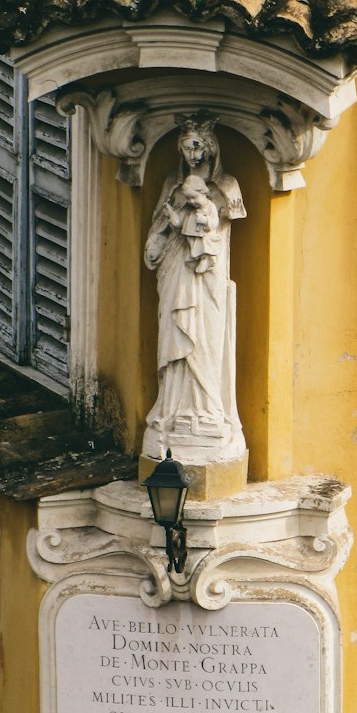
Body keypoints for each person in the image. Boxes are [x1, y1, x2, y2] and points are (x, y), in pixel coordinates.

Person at [142, 118, 246, 463]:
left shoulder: (227, 187)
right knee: (174, 338)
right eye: (186, 147)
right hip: (175, 271)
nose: (192, 153)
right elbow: (161, 222)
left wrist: (200, 233)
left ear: (211, 147)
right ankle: (172, 408)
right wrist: (157, 242)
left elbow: (219, 233)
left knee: (205, 340)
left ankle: (208, 410)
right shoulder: (173, 183)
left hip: (207, 280)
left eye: (198, 146)